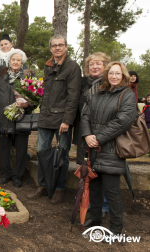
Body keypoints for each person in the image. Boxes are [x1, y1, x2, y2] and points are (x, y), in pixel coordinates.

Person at [80, 61, 137, 236]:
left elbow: (123, 121)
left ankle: (116, 229)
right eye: (111, 73)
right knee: (95, 188)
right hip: (93, 149)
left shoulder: (127, 95)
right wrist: (88, 135)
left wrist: (99, 138)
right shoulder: (98, 93)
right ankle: (95, 217)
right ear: (107, 75)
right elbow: (86, 115)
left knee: (112, 192)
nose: (114, 76)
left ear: (123, 76)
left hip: (112, 149)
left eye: (117, 74)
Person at [26, 34, 81, 204]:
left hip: (62, 120)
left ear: (66, 47)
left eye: (60, 45)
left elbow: (73, 96)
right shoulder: (48, 66)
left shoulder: (73, 67)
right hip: (45, 118)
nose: (57, 48)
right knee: (42, 153)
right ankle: (43, 185)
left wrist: (67, 120)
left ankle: (59, 188)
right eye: (54, 45)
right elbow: (46, 93)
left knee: (62, 155)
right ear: (50, 48)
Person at [73, 52, 111, 224]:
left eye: (99, 64)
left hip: (100, 136)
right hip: (85, 134)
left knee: (100, 172)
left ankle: (102, 207)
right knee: (88, 170)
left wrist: (96, 135)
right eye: (91, 64)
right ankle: (90, 204)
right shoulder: (85, 84)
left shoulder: (107, 85)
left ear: (105, 67)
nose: (94, 67)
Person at [0, 49, 32, 188]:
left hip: (20, 119)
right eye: (13, 59)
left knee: (21, 149)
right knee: (4, 148)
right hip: (3, 118)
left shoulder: (27, 79)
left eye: (18, 60)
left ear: (22, 63)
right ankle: (6, 174)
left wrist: (26, 104)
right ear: (9, 61)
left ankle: (17, 176)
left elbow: (34, 99)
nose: (15, 62)